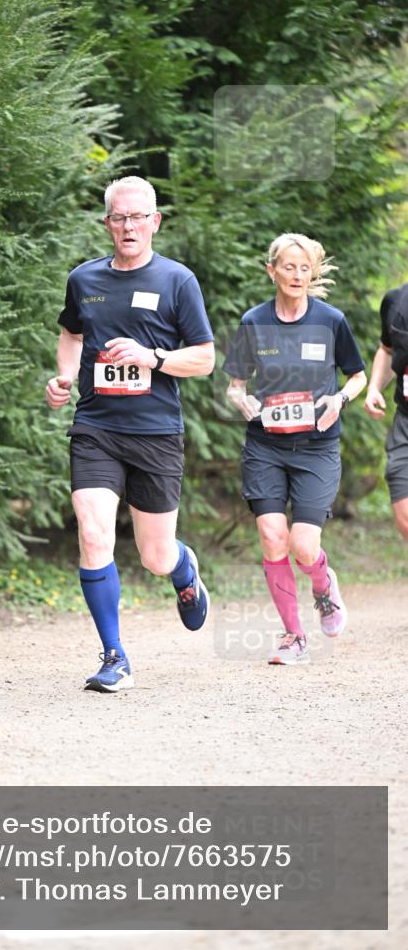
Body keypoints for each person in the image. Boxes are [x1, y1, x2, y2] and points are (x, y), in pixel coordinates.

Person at [45, 176, 215, 692]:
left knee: (154, 556)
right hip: (96, 427)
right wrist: (65, 377)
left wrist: (153, 357)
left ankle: (184, 568)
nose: (128, 226)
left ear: (155, 221)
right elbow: (72, 334)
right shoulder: (84, 280)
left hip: (155, 432)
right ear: (107, 224)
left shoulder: (177, 280)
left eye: (138, 217)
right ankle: (114, 656)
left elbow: (205, 358)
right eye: (119, 217)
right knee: (93, 531)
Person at [223, 233, 366, 666]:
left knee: (304, 546)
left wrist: (339, 399)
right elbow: (235, 384)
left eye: (305, 268)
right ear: (272, 271)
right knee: (272, 537)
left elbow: (356, 376)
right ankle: (293, 635)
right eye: (288, 267)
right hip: (265, 446)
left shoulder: (331, 320)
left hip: (317, 447)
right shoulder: (253, 321)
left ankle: (323, 586)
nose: (297, 275)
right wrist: (241, 400)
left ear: (314, 273)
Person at [364, 283, 408, 542]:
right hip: (405, 423)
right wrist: (374, 388)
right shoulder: (395, 300)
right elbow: (387, 350)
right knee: (404, 514)